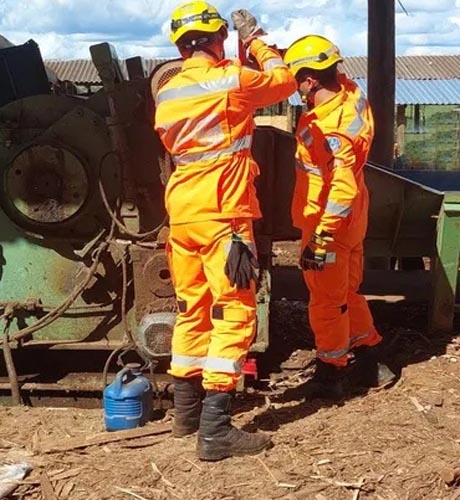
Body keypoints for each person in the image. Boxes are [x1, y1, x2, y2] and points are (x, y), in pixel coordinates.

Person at [153, 2, 296, 461]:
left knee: (191, 308)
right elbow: (285, 81)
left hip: (183, 213)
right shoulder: (232, 80)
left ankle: (186, 416)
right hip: (223, 215)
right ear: (218, 39)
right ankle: (215, 432)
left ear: (179, 45)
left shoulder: (168, 93)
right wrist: (256, 41)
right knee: (235, 312)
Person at [282, 35, 395, 400]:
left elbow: (341, 189)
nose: (294, 87)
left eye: (297, 79)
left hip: (329, 223)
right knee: (347, 291)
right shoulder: (349, 93)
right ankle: (371, 359)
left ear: (311, 81)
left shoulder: (333, 130)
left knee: (326, 301)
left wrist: (321, 238)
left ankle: (331, 372)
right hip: (352, 219)